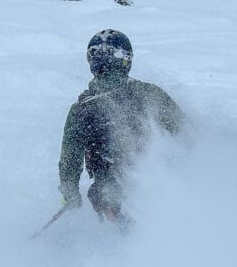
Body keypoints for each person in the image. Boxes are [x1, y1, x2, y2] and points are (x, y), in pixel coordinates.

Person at [58, 29, 183, 223]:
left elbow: (70, 159)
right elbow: (186, 132)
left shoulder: (81, 110)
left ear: (92, 63)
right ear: (127, 61)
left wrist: (70, 193)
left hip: (111, 194)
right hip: (162, 185)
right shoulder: (151, 94)